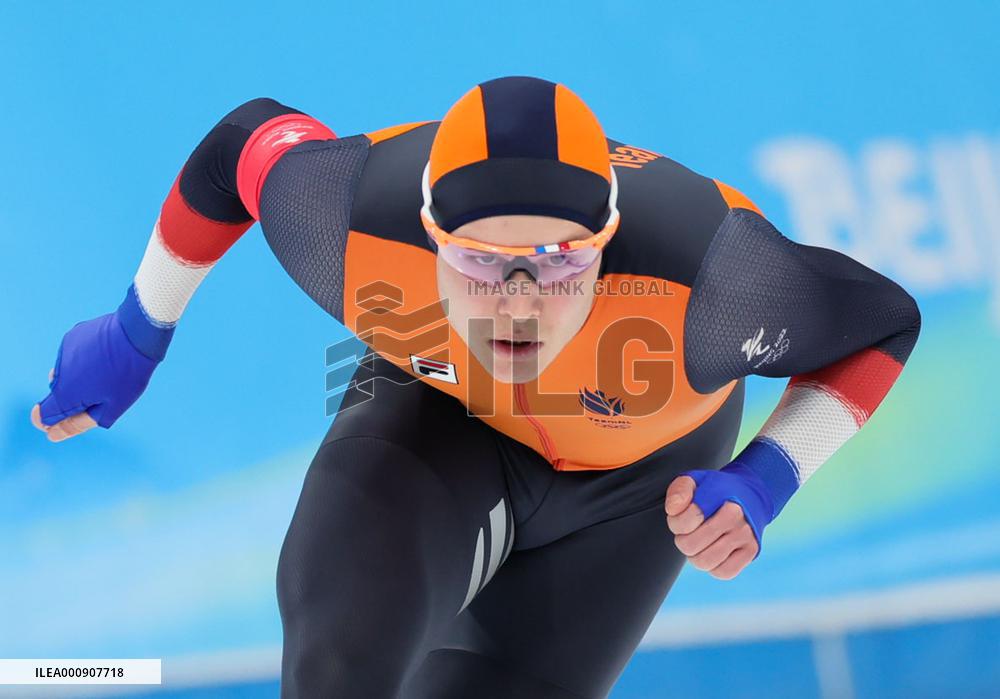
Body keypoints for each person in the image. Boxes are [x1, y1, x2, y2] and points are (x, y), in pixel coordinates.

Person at [31, 76, 921, 698]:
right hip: (436, 408)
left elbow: (883, 322)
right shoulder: (344, 221)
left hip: (640, 484)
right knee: (338, 666)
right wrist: (135, 330)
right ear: (427, 235)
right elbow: (240, 145)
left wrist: (768, 475)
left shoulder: (716, 287)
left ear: (607, 239)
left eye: (561, 262)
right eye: (485, 264)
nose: (521, 307)